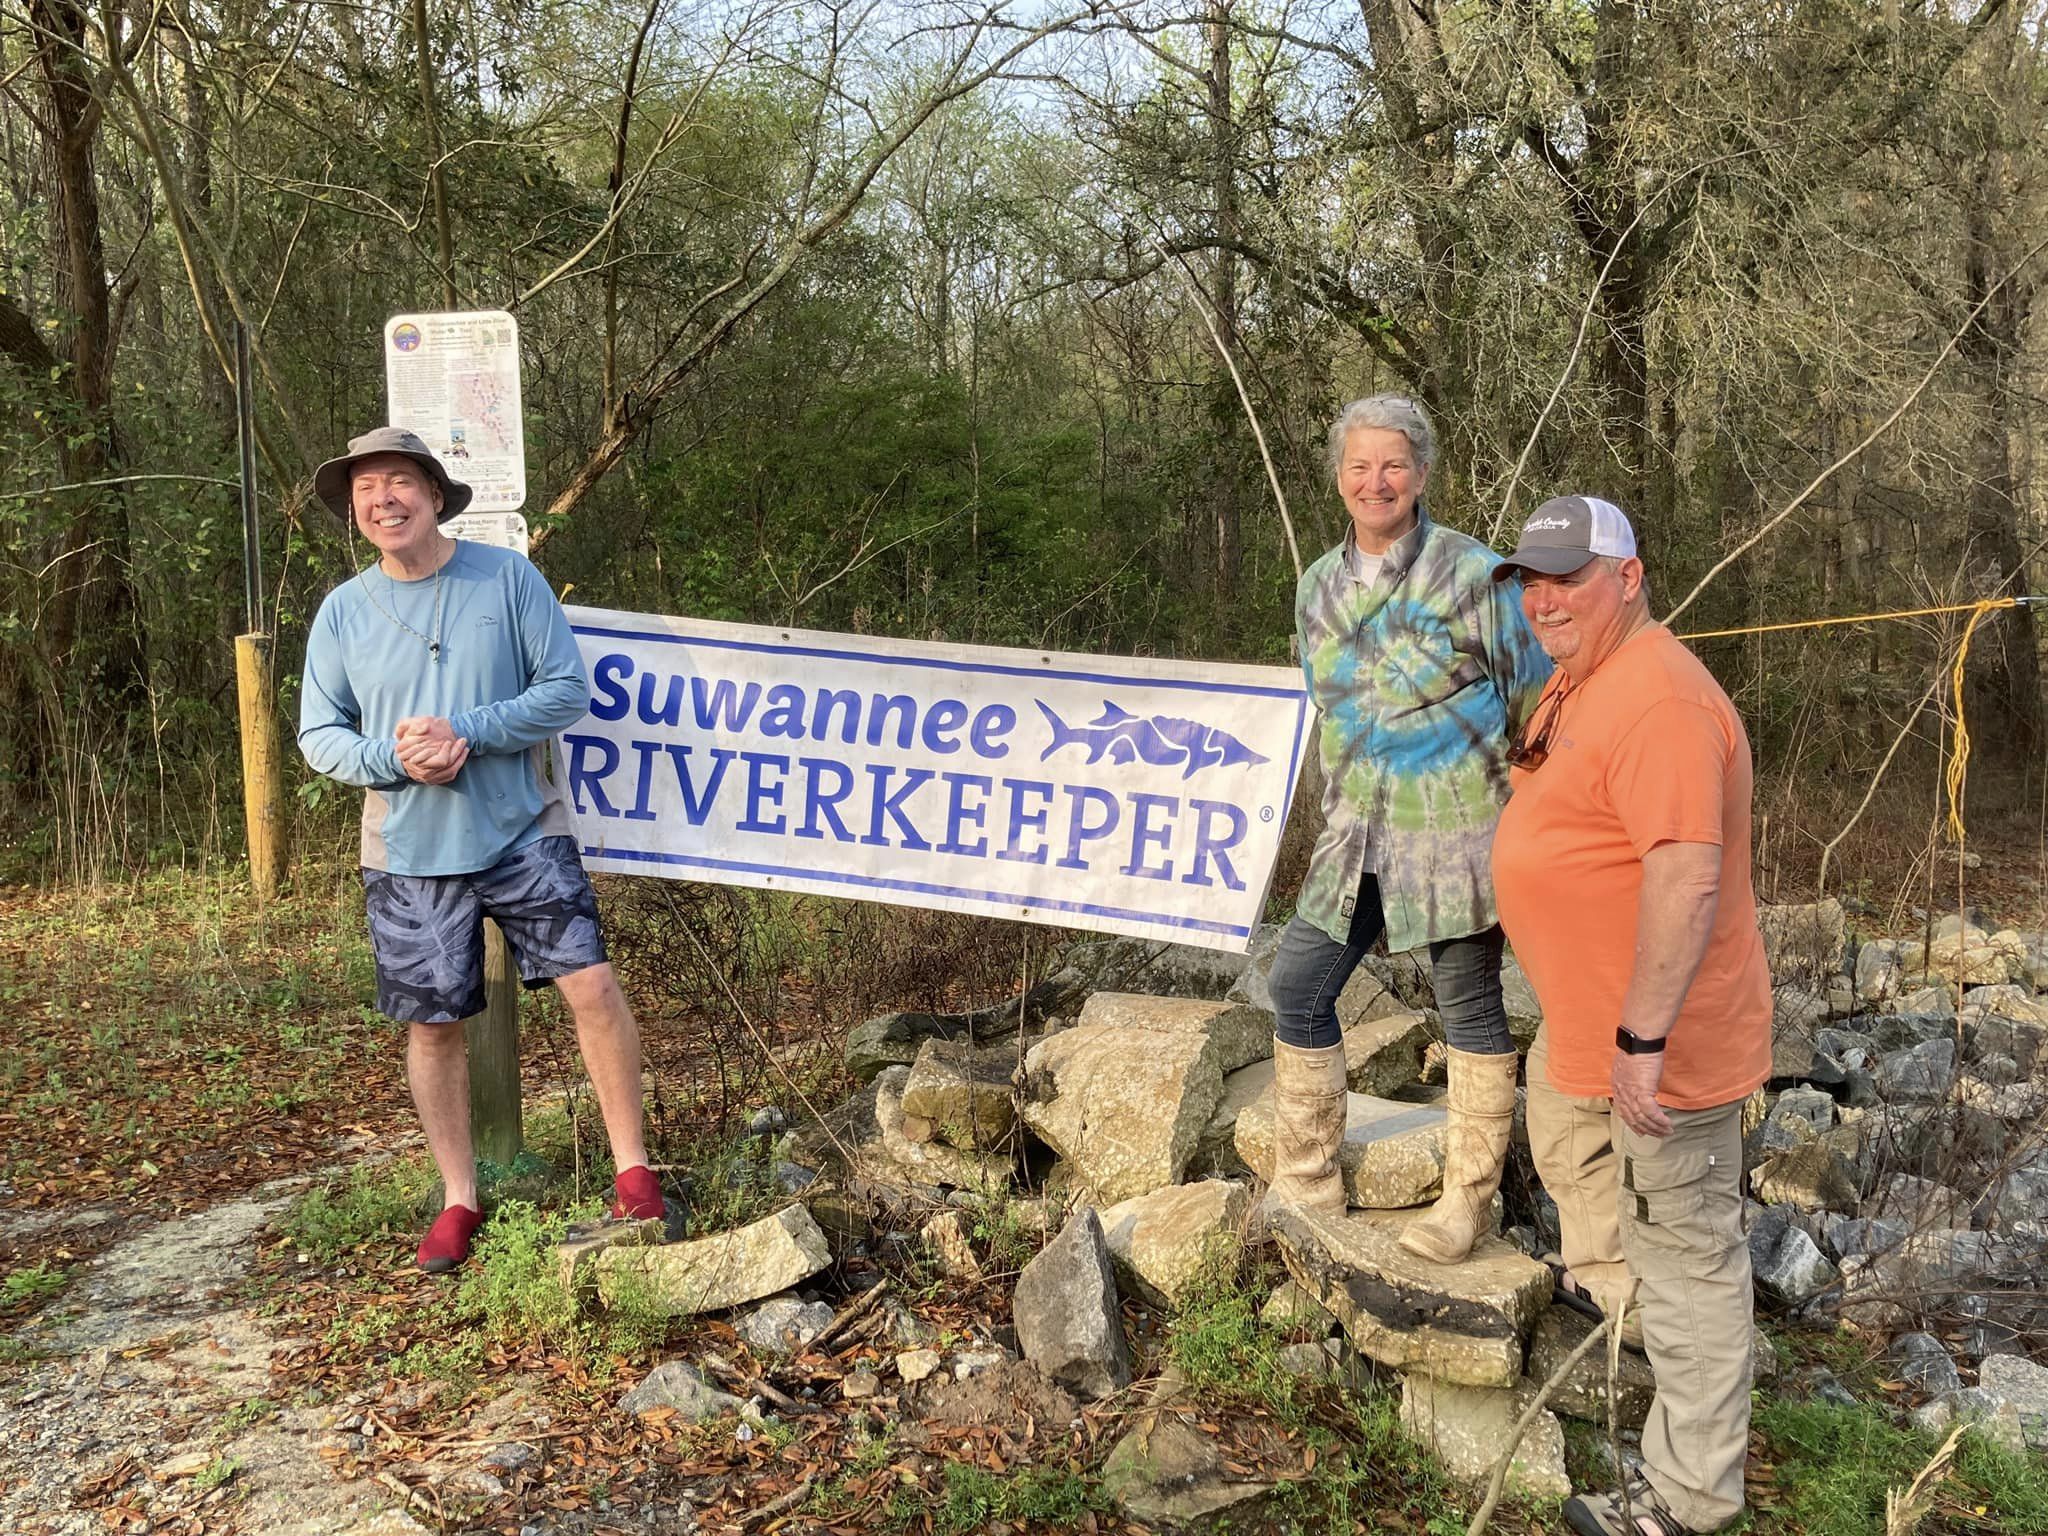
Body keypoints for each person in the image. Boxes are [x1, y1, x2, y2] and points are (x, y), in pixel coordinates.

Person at [299, 427, 664, 1274]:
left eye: (396, 483)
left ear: (432, 492)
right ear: (353, 509)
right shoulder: (343, 612)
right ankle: (460, 1198)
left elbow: (565, 687)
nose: (381, 500)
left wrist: (467, 732)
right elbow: (319, 734)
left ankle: (633, 1172)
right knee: (432, 1028)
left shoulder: (506, 577)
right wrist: (398, 757)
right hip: (407, 850)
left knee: (593, 987)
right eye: (364, 489)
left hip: (521, 829)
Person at [1490, 495, 1771, 1536]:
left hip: (1663, 1048)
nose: (1543, 598)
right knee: (1589, 1184)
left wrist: (1641, 1044)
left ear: (1628, 575)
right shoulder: (1581, 680)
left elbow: (1685, 881)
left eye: (1568, 575)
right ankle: (1634, 1326)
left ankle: (1688, 1498)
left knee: (1688, 1250)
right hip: (1584, 1032)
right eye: (1529, 578)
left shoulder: (1658, 700)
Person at [1266, 394, 1551, 1264]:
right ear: (1339, 479)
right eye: (1358, 466)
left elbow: (1534, 694)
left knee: (1467, 1007)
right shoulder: (1317, 585)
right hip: (1354, 835)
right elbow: (1316, 701)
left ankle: (1467, 1205)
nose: (1375, 481)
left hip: (1456, 834)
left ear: (1422, 473)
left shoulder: (1478, 575)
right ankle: (1307, 1184)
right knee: (1298, 987)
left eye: (1393, 464)